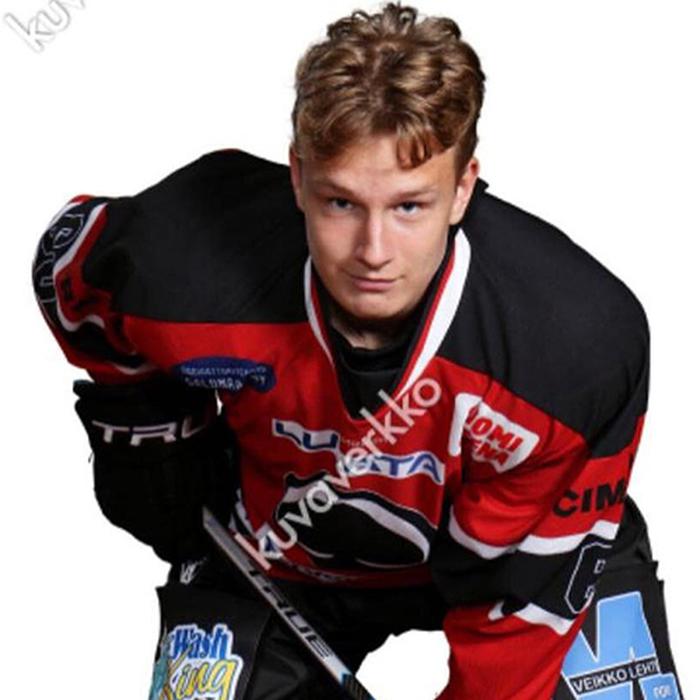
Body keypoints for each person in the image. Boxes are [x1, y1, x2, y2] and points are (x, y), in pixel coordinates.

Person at [31, 3, 684, 698]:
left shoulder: (573, 344)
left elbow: (521, 619)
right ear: (297, 178)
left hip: (516, 557)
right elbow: (66, 268)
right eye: (341, 203)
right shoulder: (188, 262)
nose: (374, 252)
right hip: (274, 556)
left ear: (463, 188)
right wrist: (146, 424)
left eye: (409, 206)